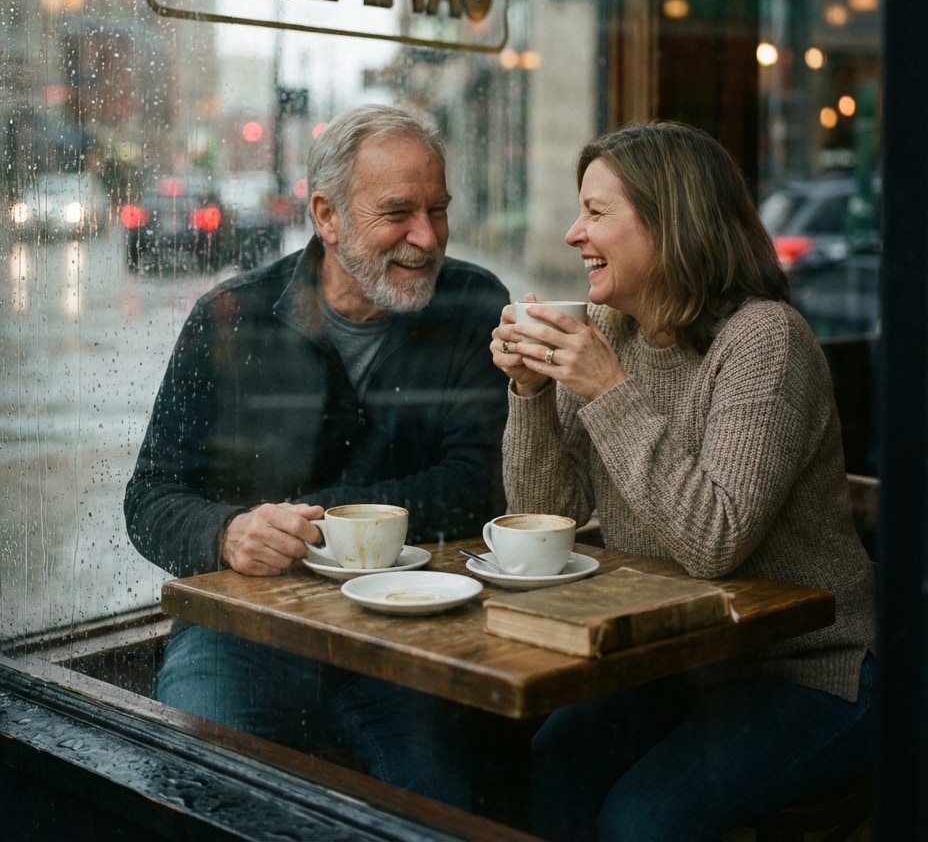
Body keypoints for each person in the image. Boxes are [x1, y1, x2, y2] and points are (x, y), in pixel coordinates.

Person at [490, 120, 876, 842]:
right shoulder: (614, 332)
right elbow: (545, 521)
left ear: (672, 225)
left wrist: (609, 391)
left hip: (811, 669)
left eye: (597, 212)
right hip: (682, 662)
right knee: (544, 765)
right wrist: (530, 396)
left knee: (643, 823)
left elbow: (714, 541)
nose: (575, 233)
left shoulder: (765, 340)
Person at [125, 103, 509, 808]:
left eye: (439, 210)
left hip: (411, 633)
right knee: (199, 789)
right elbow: (149, 498)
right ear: (327, 216)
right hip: (248, 630)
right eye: (398, 212)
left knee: (450, 805)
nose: (427, 237)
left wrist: (316, 521)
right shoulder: (232, 315)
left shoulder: (473, 305)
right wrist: (227, 533)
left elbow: (480, 486)